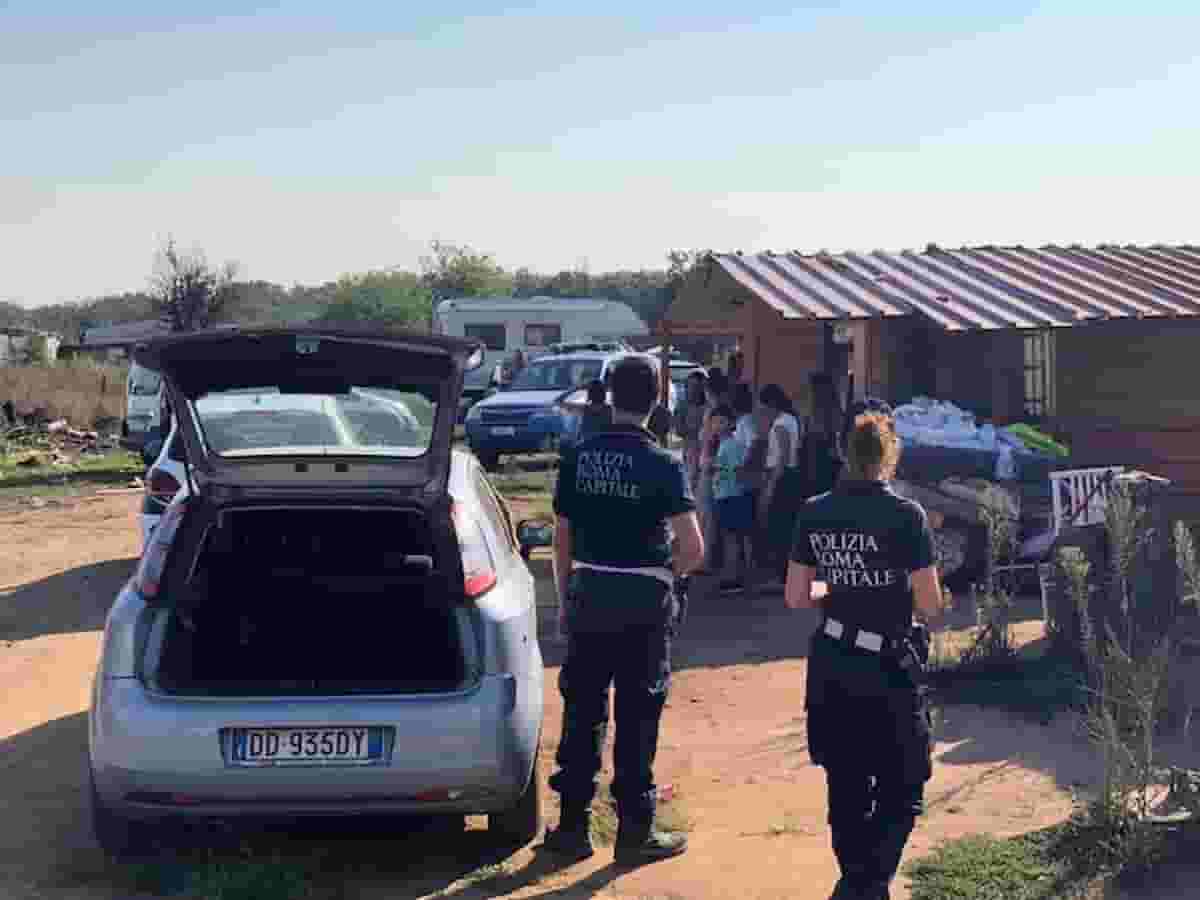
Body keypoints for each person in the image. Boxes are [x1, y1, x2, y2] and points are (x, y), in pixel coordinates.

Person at [545, 355, 706, 865]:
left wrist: (563, 600)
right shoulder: (664, 463)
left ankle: (572, 829)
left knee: (583, 709)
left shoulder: (578, 454)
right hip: (643, 599)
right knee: (639, 711)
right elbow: (694, 547)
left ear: (611, 396)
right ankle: (634, 832)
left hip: (589, 591)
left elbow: (561, 537)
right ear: (657, 399)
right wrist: (667, 575)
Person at [784, 411, 948, 900]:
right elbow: (930, 603)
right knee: (903, 784)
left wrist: (836, 583)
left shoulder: (815, 510)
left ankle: (856, 881)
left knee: (847, 780)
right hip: (889, 667)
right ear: (890, 455)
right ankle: (870, 882)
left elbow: (797, 595)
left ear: (843, 453)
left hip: (834, 659)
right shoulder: (906, 515)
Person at [756, 383, 803, 587]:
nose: (763, 410)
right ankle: (784, 576)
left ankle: (780, 577)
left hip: (782, 477)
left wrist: (771, 486)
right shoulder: (792, 420)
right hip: (790, 477)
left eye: (764, 405)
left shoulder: (782, 423)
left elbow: (782, 458)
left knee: (778, 528)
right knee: (786, 527)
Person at [707, 404, 754, 593]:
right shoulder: (724, 444)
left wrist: (716, 468)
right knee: (731, 537)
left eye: (721, 421)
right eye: (714, 421)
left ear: (731, 423)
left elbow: (737, 471)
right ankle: (733, 575)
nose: (717, 425)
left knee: (732, 538)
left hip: (731, 496)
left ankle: (734, 577)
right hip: (725, 495)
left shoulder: (732, 445)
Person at [799, 372, 846, 501]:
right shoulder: (815, 413)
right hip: (817, 465)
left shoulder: (830, 414)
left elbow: (836, 447)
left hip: (820, 465)